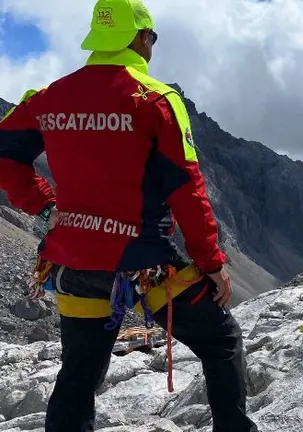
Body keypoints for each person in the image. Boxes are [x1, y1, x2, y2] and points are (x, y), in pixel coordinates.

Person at [0, 1, 259, 431]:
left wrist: (45, 205)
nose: (152, 45)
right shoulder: (156, 100)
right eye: (152, 37)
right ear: (140, 38)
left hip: (76, 260)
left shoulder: (48, 98)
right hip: (148, 263)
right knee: (221, 342)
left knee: (79, 375)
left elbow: (6, 155)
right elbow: (187, 190)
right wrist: (211, 263)